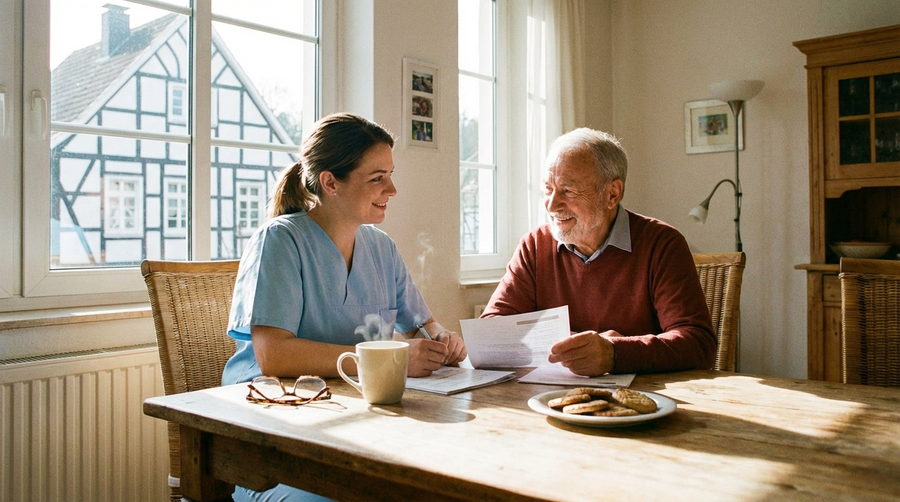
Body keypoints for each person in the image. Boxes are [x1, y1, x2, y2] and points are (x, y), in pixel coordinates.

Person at [222, 112, 466, 502]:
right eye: (377, 178)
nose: (393, 189)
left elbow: (424, 325)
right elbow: (274, 355)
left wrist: (442, 341)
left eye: (390, 174)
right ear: (330, 182)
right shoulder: (281, 241)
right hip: (273, 445)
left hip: (357, 430)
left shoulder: (381, 248)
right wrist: (395, 359)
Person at [481, 128, 716, 376]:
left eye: (568, 191)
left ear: (612, 194)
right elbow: (492, 331)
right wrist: (571, 345)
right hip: (549, 398)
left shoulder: (662, 244)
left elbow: (698, 344)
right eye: (548, 189)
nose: (552, 205)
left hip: (643, 402)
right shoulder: (534, 245)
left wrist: (614, 353)